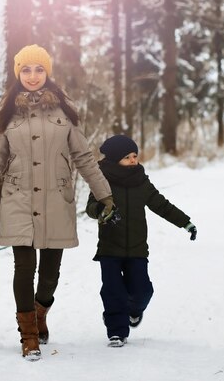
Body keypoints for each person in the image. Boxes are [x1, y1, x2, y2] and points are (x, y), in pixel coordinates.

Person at [0, 44, 115, 360]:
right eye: (26, 69)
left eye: (39, 69)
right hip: (18, 200)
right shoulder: (8, 115)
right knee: (24, 267)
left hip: (56, 199)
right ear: (18, 74)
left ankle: (40, 311)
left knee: (50, 273)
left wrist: (104, 194)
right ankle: (28, 336)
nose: (33, 75)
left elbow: (84, 158)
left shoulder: (65, 113)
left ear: (47, 73)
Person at [85, 135, 197, 347]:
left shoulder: (140, 180)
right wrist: (101, 209)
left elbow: (161, 205)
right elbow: (91, 207)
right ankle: (116, 332)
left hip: (137, 247)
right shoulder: (102, 180)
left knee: (143, 290)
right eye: (127, 157)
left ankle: (134, 311)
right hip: (110, 246)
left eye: (135, 156)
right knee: (112, 290)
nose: (133, 160)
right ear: (116, 159)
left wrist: (186, 223)